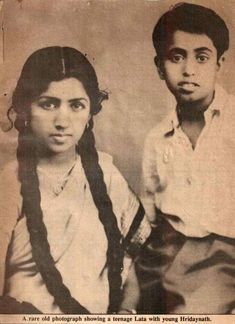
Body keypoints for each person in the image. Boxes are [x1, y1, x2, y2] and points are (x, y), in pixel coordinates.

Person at [0, 46, 151, 314]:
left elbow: (136, 260)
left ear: (90, 111)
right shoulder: (9, 183)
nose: (62, 120)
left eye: (76, 105)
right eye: (48, 104)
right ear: (25, 108)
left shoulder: (107, 177)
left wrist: (127, 313)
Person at [139, 2, 235, 314]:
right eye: (176, 57)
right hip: (166, 257)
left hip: (225, 260)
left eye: (201, 57)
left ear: (220, 62)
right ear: (158, 66)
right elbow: (151, 220)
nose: (188, 70)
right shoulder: (157, 138)